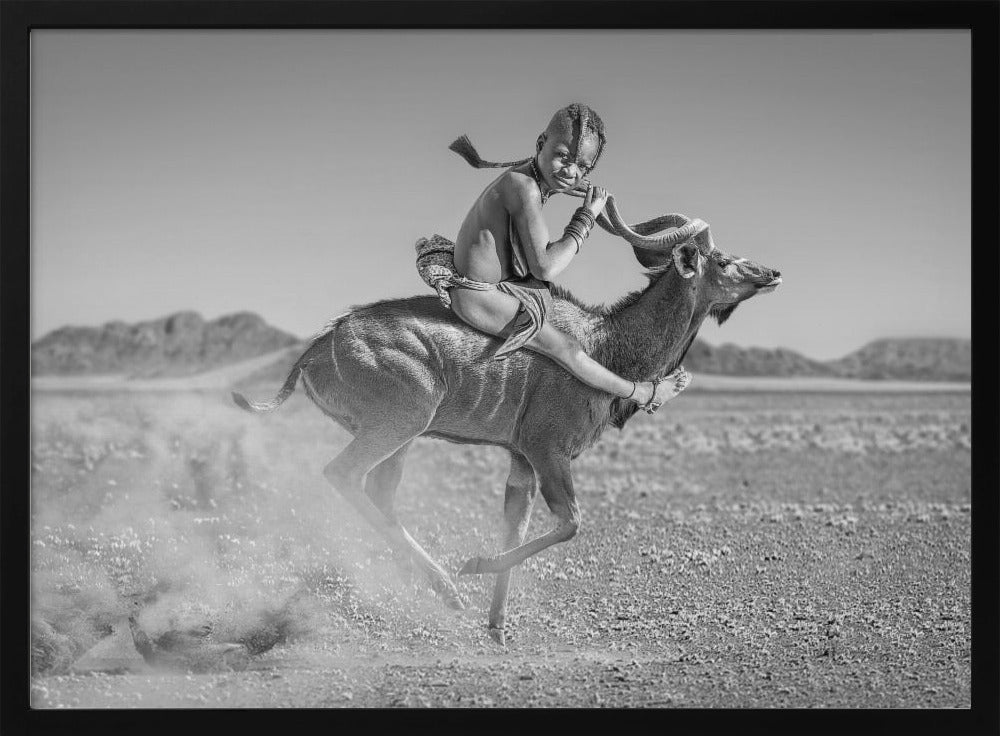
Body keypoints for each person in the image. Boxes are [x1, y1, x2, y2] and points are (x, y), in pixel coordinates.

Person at [422, 103, 690, 413]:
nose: (571, 172)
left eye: (583, 167)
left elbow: (551, 184)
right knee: (567, 348)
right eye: (563, 157)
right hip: (476, 294)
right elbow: (546, 267)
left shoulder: (529, 178)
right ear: (540, 145)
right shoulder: (523, 188)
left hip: (492, 285)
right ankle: (643, 394)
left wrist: (562, 185)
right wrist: (586, 217)